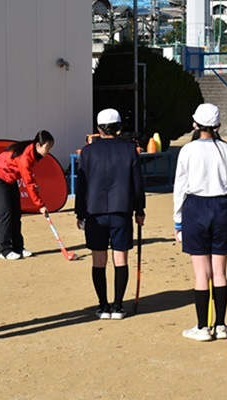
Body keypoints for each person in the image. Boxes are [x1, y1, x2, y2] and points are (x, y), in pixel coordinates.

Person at [173, 103, 227, 341]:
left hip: (196, 207)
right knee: (219, 272)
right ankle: (220, 325)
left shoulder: (188, 150)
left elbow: (180, 187)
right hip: (221, 206)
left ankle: (202, 327)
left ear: (195, 124)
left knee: (201, 272)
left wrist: (178, 221)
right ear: (218, 125)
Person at [75, 108, 145, 320]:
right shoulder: (129, 149)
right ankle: (118, 306)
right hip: (121, 210)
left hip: (94, 211)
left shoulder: (87, 152)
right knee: (120, 258)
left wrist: (79, 212)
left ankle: (103, 306)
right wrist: (140, 209)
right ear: (119, 127)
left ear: (98, 129)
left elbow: (81, 185)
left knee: (98, 259)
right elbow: (137, 183)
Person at [0, 131, 55, 260]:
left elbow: (29, 177)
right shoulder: (26, 157)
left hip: (10, 178)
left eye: (50, 148)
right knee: (5, 213)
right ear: (38, 145)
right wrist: (40, 205)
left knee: (16, 213)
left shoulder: (33, 153)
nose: (48, 151)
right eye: (47, 147)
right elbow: (28, 182)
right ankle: (4, 250)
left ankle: (18, 247)